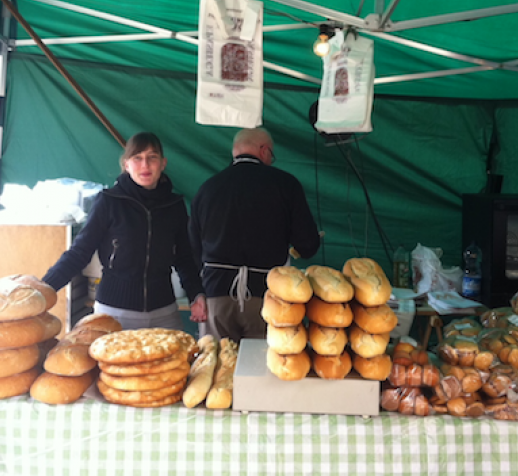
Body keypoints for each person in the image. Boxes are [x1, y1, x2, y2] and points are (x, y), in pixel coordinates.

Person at [42, 132, 207, 331]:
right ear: (126, 164)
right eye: (137, 158)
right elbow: (79, 253)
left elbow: (184, 258)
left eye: (152, 157)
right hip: (114, 313)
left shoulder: (174, 205)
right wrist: (45, 290)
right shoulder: (109, 201)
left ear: (163, 163)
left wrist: (196, 294)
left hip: (164, 313)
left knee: (176, 361)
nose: (145, 165)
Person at [189, 127, 321, 343]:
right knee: (261, 371)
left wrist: (198, 293)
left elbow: (192, 248)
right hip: (268, 297)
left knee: (218, 366)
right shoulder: (286, 184)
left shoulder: (207, 188)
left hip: (217, 295)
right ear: (264, 150)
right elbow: (307, 245)